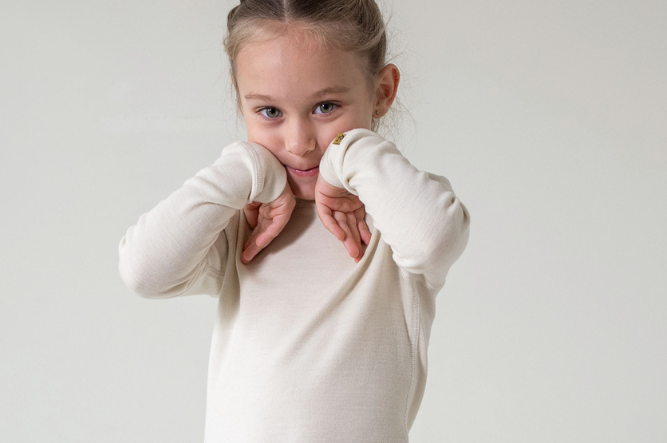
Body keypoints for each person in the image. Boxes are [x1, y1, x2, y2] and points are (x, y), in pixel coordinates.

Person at [117, 1, 471, 441]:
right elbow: (144, 272)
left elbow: (435, 240)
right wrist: (245, 167)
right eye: (270, 112)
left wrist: (350, 153)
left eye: (326, 106)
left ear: (381, 92)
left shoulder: (397, 209)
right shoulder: (240, 221)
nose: (299, 142)